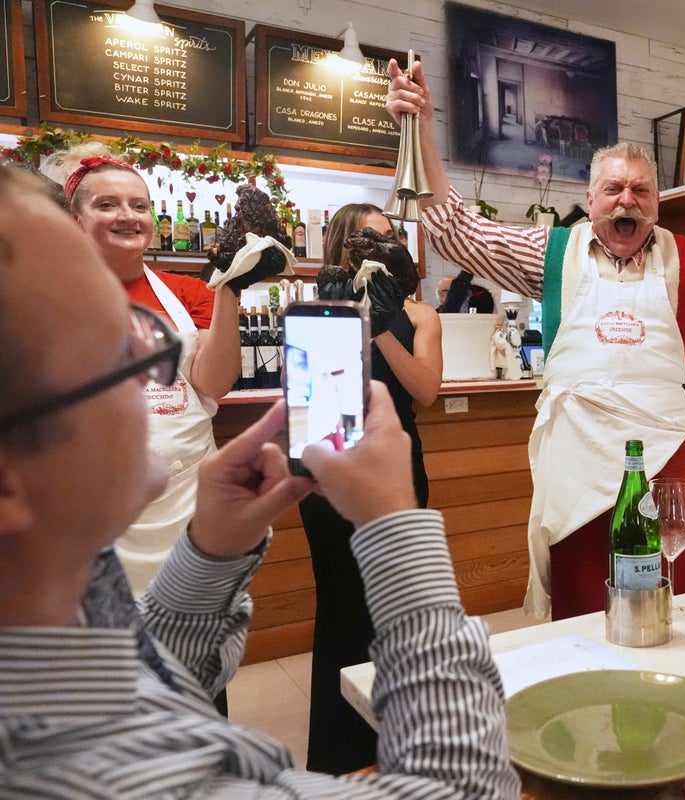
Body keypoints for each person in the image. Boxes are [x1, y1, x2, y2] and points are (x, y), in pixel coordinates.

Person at [0, 167, 519, 797]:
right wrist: (396, 531)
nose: (158, 374)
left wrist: (211, 555)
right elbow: (466, 786)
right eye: (111, 353)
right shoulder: (102, 779)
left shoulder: (66, 627)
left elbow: (150, 677)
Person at [383, 58, 685, 619]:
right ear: (591, 199)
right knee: (585, 603)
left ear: (656, 203)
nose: (627, 200)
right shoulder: (552, 252)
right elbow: (454, 230)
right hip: (578, 453)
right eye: (613, 188)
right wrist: (422, 126)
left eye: (641, 190)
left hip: (666, 447)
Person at [40, 143, 241, 596]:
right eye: (106, 205)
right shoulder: (45, 295)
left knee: (191, 616)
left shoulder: (188, 293)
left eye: (139, 205)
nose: (127, 216)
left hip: (187, 493)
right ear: (75, 219)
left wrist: (231, 287)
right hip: (88, 503)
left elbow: (214, 383)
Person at [301, 203, 443, 773]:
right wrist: (335, 318)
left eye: (388, 239)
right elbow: (319, 404)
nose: (380, 250)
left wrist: (382, 325)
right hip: (330, 465)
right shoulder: (322, 304)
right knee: (341, 610)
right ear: (343, 245)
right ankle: (339, 758)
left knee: (396, 608)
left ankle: (402, 745)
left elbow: (425, 391)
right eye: (367, 240)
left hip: (397, 465)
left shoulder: (420, 315)